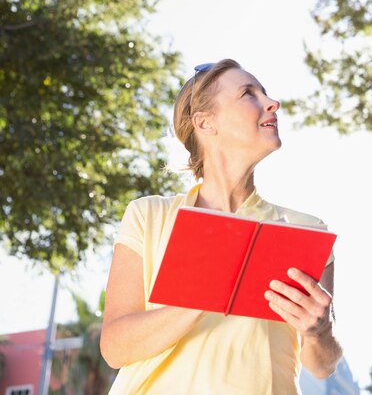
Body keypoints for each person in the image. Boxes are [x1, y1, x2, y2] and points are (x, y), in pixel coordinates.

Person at [100, 59, 342, 394]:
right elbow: (115, 347)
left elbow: (323, 364)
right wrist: (207, 296)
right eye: (248, 93)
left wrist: (320, 331)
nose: (273, 103)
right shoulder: (149, 215)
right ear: (205, 122)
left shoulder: (307, 231)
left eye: (265, 93)